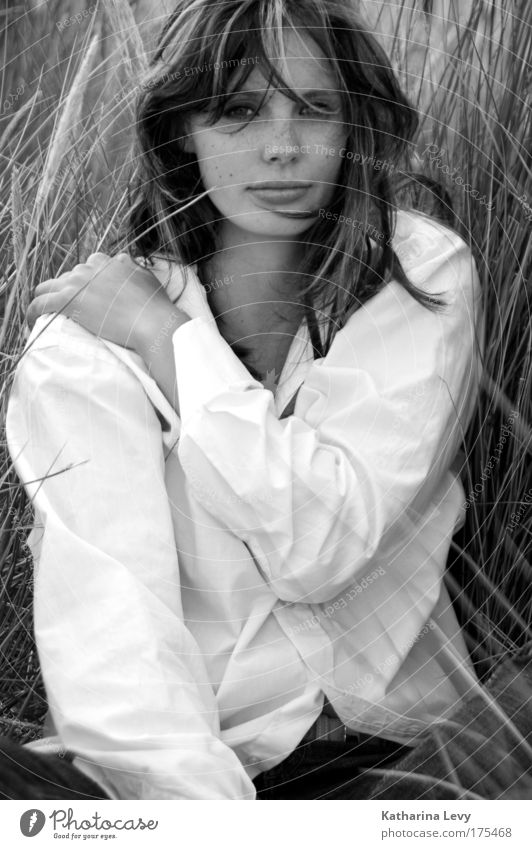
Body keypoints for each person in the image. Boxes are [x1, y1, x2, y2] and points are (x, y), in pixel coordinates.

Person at [5, 0, 483, 800]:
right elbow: (117, 644)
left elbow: (318, 548)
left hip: (401, 763)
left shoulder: (420, 275)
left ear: (353, 126)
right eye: (238, 110)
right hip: (198, 767)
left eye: (316, 108)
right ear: (180, 130)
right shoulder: (83, 344)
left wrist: (167, 339)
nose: (284, 147)